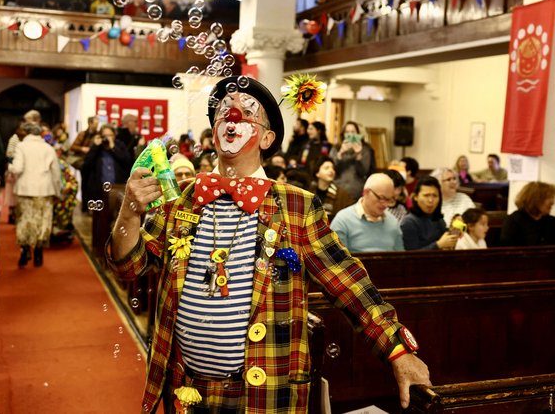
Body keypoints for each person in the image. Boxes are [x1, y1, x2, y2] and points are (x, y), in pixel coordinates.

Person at [106, 76, 430, 413]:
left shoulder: (297, 206)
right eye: (223, 111)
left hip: (263, 396)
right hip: (186, 391)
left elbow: (348, 283)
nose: (231, 116)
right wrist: (129, 214)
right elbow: (127, 266)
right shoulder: (182, 199)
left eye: (246, 112)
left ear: (267, 137)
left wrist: (399, 351)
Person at [9, 122, 61, 267]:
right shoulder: (48, 147)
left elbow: (18, 168)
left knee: (25, 219)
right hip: (45, 189)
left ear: (26, 133)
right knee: (43, 219)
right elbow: (56, 172)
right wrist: (57, 191)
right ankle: (38, 252)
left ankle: (25, 249)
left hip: (26, 189)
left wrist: (10, 167)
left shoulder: (21, 146)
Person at [330, 173, 404, 252]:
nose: (385, 204)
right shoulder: (343, 220)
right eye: (381, 198)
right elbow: (335, 260)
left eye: (389, 200)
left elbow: (400, 259)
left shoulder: (392, 222)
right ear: (366, 192)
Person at [400, 175, 458, 250]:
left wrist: (455, 231)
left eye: (435, 196)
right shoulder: (409, 222)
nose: (431, 200)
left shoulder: (438, 219)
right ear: (415, 197)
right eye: (426, 195)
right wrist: (438, 245)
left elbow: (446, 244)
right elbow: (411, 256)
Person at [81, 124, 131, 209]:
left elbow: (127, 162)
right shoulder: (97, 147)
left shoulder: (119, 145)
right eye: (105, 135)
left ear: (114, 135)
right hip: (99, 189)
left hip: (117, 188)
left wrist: (113, 148)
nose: (107, 138)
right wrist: (94, 147)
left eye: (110, 135)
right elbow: (86, 164)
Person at [330, 120, 376, 201]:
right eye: (347, 132)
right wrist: (340, 153)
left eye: (353, 132)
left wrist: (358, 155)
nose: (350, 134)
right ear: (343, 134)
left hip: (356, 191)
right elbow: (330, 169)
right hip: (337, 189)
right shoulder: (336, 148)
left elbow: (364, 172)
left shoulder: (365, 149)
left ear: (357, 134)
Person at [500, 181, 555, 246]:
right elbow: (507, 249)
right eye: (548, 198)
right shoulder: (513, 221)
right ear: (535, 199)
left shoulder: (551, 221)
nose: (552, 202)